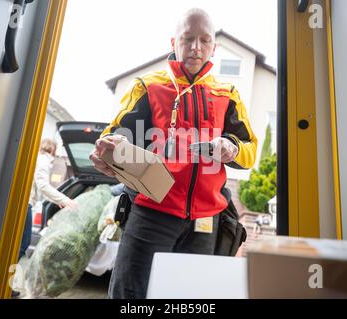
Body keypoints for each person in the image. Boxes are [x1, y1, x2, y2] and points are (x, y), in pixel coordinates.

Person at [89, 8, 257, 299]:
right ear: (173, 42)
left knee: (192, 299)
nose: (195, 48)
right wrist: (107, 153)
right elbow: (114, 137)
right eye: (187, 38)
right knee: (131, 296)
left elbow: (250, 149)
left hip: (205, 220)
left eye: (204, 40)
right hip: (151, 214)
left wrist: (231, 147)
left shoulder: (227, 94)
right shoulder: (147, 87)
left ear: (214, 47)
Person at [20, 138, 77, 259]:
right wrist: (64, 200)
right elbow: (43, 186)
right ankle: (5, 274)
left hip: (23, 203)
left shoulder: (36, 158)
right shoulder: (43, 160)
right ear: (52, 148)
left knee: (19, 243)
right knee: (22, 244)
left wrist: (58, 200)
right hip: (25, 204)